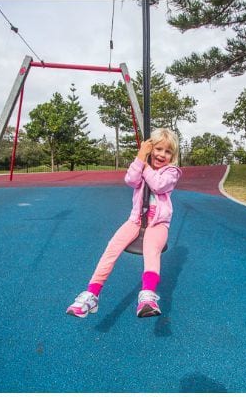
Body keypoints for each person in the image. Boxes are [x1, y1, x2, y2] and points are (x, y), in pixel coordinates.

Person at [66, 128, 181, 319]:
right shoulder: (142, 164)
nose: (162, 154)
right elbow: (130, 180)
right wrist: (140, 158)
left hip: (157, 224)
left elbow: (158, 185)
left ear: (173, 156)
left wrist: (146, 167)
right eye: (158, 149)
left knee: (151, 250)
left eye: (168, 151)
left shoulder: (172, 172)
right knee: (112, 248)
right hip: (136, 220)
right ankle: (92, 294)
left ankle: (147, 296)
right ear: (150, 149)